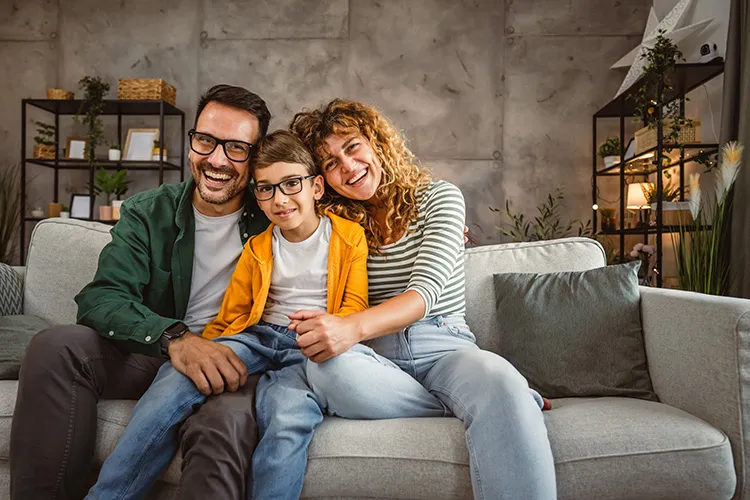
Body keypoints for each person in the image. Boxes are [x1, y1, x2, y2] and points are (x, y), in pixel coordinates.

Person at [250, 99, 557, 500]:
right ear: (320, 179)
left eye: (353, 147)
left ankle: (498, 393)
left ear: (377, 142)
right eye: (330, 162)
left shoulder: (439, 198)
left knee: (497, 378)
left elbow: (424, 293)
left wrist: (349, 327)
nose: (347, 166)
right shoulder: (335, 228)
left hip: (444, 347)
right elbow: (278, 204)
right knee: (325, 369)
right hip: (376, 362)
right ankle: (479, 404)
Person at [10, 84, 273, 500]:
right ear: (192, 141)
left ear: (256, 156)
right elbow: (102, 298)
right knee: (56, 345)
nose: (217, 160)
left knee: (225, 422)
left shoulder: (278, 215)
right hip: (152, 351)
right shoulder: (148, 211)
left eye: (237, 148)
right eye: (206, 141)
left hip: (233, 361)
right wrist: (174, 338)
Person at [85, 130, 369, 499]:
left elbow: (354, 306)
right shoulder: (257, 246)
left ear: (316, 187)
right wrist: (204, 349)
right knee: (178, 377)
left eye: (291, 184)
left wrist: (327, 328)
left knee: (286, 417)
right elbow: (233, 314)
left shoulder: (349, 237)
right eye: (265, 189)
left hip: (311, 348)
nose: (279, 199)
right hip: (260, 336)